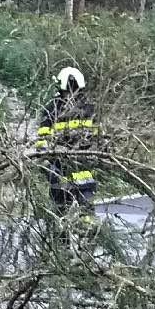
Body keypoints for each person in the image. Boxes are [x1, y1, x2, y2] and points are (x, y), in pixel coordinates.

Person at [37, 66, 98, 209]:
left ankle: (68, 222)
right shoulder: (88, 107)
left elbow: (42, 139)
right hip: (82, 161)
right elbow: (97, 138)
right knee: (85, 203)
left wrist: (44, 159)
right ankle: (84, 223)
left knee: (62, 203)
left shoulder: (53, 108)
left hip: (64, 163)